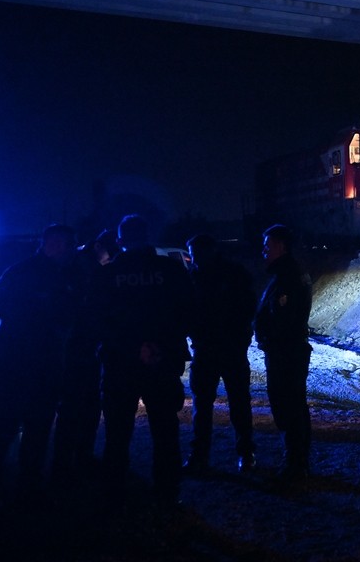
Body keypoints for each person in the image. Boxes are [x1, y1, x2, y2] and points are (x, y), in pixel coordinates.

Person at [94, 214, 193, 507]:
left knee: (117, 430)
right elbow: (187, 311)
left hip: (120, 363)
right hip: (161, 362)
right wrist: (158, 346)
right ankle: (167, 489)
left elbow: (98, 320)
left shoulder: (108, 274)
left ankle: (115, 491)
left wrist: (133, 347)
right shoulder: (171, 270)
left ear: (121, 240)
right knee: (165, 429)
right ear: (148, 235)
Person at [0, 223, 76, 503]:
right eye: (68, 245)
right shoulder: (29, 274)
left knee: (30, 426)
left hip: (29, 363)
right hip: (22, 363)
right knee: (19, 425)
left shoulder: (25, 272)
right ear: (53, 243)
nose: (71, 251)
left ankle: (26, 487)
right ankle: (26, 488)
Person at [183, 233, 257, 474]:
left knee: (205, 405)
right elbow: (248, 308)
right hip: (222, 349)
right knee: (235, 403)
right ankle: (244, 454)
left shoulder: (197, 277)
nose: (193, 260)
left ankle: (202, 455)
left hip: (214, 349)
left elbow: (247, 308)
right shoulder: (233, 273)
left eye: (194, 255)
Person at [52, 228, 118, 483]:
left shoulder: (82, 267)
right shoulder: (85, 271)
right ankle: (67, 462)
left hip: (85, 348)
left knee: (86, 405)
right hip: (78, 348)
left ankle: (76, 457)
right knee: (75, 407)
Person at [254, 224, 313, 483]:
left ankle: (296, 465)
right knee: (291, 405)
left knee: (290, 406)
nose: (264, 250)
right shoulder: (285, 274)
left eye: (268, 245)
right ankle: (295, 460)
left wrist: (270, 338)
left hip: (286, 353)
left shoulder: (288, 277)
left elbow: (286, 318)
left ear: (282, 246)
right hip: (284, 350)